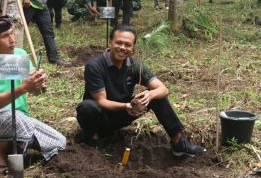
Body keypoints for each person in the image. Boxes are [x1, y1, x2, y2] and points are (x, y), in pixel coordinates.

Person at [76, 24, 206, 157]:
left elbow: (163, 89)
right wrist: (126, 106)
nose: (122, 48)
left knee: (157, 97)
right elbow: (101, 101)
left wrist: (151, 94)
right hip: (101, 118)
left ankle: (178, 143)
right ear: (111, 42)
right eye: (118, 43)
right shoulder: (95, 66)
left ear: (133, 48)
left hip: (123, 114)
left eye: (127, 45)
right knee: (87, 107)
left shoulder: (134, 66)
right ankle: (92, 140)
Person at [0, 16, 66, 173]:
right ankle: (5, 156)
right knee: (16, 119)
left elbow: (35, 91)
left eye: (12, 33)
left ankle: (20, 140)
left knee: (59, 142)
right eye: (5, 36)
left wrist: (38, 83)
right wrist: (23, 88)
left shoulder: (19, 54)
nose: (12, 39)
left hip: (22, 119)